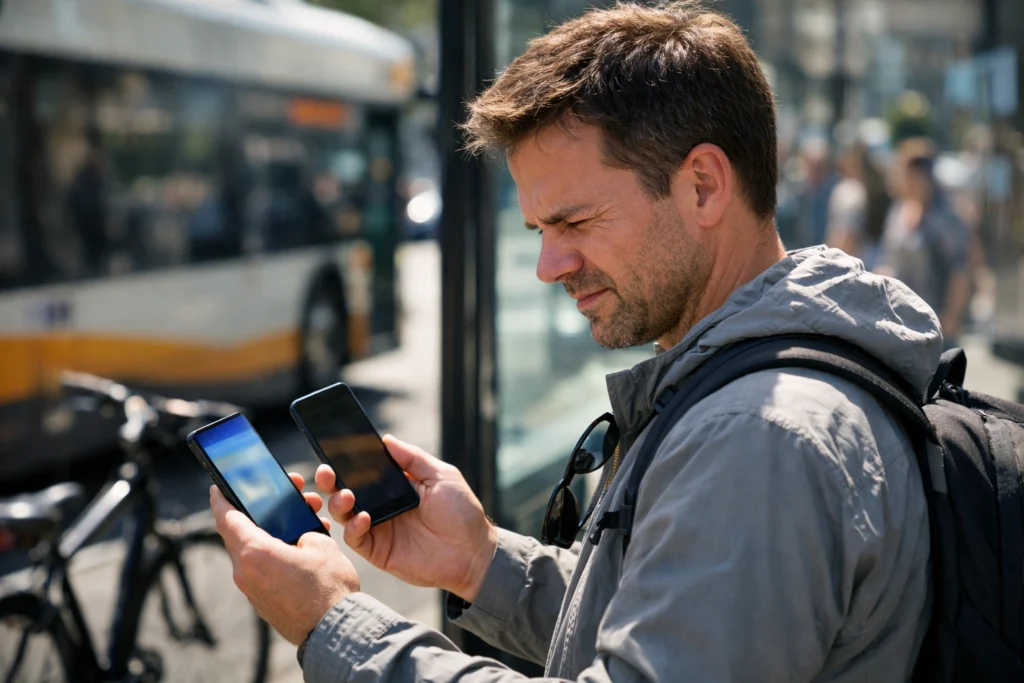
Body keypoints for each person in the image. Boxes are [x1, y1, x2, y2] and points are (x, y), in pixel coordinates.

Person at [211, 3, 942, 681]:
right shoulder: (750, 386)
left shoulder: (759, 440)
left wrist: (334, 624)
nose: (547, 266)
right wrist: (480, 561)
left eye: (575, 222)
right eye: (539, 231)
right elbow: (657, 620)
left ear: (704, 187)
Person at [876, 153, 971, 348]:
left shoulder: (946, 218)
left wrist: (952, 316)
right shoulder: (898, 211)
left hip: (936, 321)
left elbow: (960, 270)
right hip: (899, 320)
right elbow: (887, 258)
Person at [824, 141, 891, 269]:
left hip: (851, 265)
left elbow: (847, 237)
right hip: (871, 265)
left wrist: (829, 265)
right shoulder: (878, 191)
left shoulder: (851, 192)